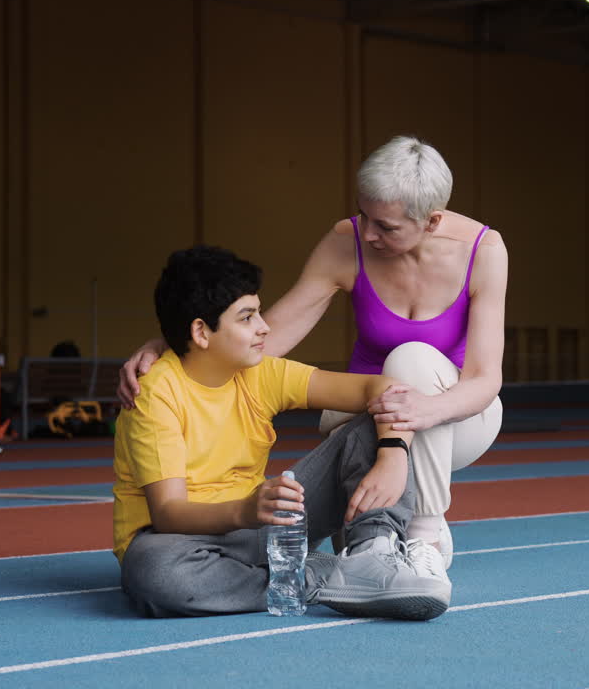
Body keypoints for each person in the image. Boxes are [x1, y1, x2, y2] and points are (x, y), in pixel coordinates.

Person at [119, 136, 508, 569]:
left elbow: (485, 378)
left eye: (386, 227)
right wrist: (179, 341)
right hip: (369, 417)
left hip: (459, 415)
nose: (367, 232)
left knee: (410, 363)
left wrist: (419, 416)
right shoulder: (347, 243)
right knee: (362, 525)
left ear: (432, 221)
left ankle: (426, 535)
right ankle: (357, 561)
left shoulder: (484, 251)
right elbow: (271, 334)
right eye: (363, 215)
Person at [114, 245, 451, 620]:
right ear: (201, 332)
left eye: (258, 312)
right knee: (154, 572)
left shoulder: (261, 372)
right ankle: (316, 577)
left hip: (262, 527)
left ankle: (371, 556)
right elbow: (168, 513)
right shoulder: (155, 393)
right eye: (247, 318)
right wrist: (246, 510)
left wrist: (392, 453)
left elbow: (384, 390)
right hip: (185, 541)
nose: (264, 327)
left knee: (374, 425)